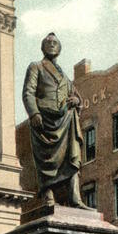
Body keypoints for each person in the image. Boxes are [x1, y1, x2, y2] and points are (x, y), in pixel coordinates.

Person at [22, 33, 89, 208]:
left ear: (59, 48)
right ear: (43, 47)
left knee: (72, 155)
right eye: (48, 42)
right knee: (46, 160)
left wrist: (77, 101)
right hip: (44, 120)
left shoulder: (65, 77)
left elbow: (76, 96)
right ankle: (47, 196)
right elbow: (28, 92)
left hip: (65, 121)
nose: (52, 45)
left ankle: (75, 198)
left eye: (55, 43)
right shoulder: (36, 67)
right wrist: (34, 113)